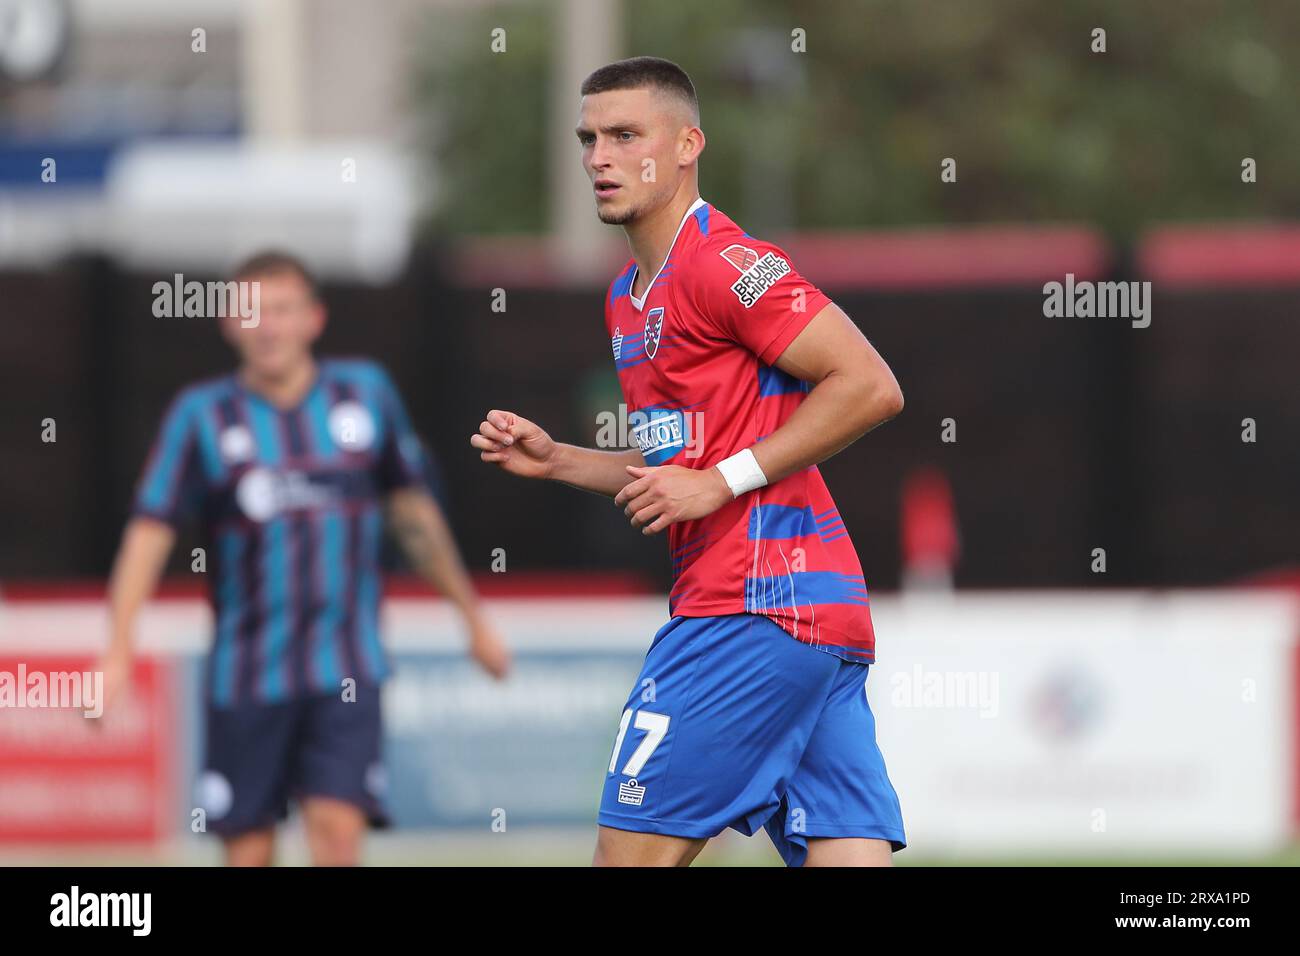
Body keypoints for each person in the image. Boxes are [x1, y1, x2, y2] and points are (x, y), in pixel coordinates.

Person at [472, 57, 905, 866]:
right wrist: (560, 460)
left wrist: (720, 482)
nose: (599, 156)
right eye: (589, 138)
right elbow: (683, 463)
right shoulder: (628, 297)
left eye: (625, 135)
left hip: (750, 607)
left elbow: (871, 386)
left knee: (627, 859)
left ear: (686, 146)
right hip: (813, 618)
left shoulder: (721, 261)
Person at [103, 250, 510, 865]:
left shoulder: (365, 394)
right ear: (229, 324)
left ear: (313, 319)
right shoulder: (200, 416)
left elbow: (414, 518)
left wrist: (472, 618)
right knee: (248, 851)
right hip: (245, 675)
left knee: (337, 833)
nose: (267, 326)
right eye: (252, 312)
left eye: (283, 309)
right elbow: (148, 534)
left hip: (346, 671)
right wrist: (117, 649)